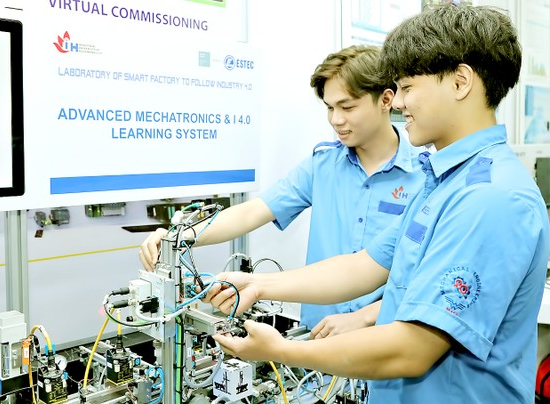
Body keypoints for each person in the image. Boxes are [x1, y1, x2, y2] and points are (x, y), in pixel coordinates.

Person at [202, 5, 550, 403]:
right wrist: (259, 285)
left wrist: (280, 351)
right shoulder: (443, 180)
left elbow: (414, 347)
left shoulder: (491, 197)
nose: (398, 102)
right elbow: (365, 266)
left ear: (460, 81)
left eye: (407, 87)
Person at [140, 45, 425, 337]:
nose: (336, 120)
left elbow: (425, 275)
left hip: (387, 337)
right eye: (329, 107)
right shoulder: (322, 165)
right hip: (318, 337)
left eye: (347, 107)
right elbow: (253, 211)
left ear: (386, 100)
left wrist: (366, 317)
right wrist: (180, 236)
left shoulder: (426, 175)